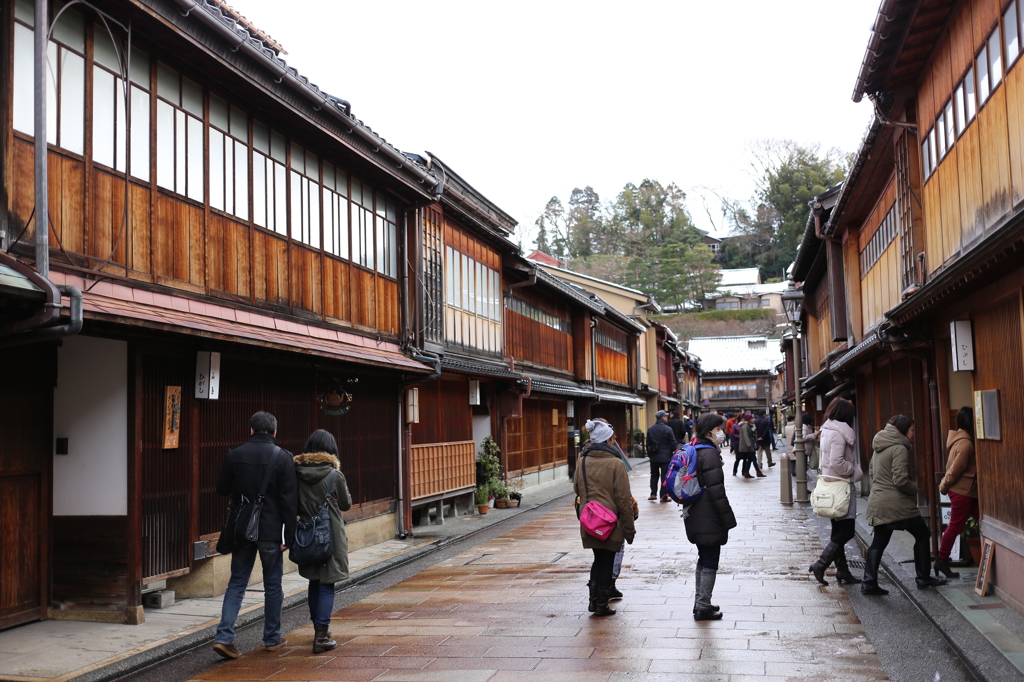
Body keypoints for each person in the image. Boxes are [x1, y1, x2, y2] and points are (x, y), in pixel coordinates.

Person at [213, 411, 298, 660]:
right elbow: (289, 502)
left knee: (237, 583)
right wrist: (288, 537)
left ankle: (224, 637)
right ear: (274, 432)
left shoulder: (235, 454)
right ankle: (272, 638)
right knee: (273, 585)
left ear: (250, 430)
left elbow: (221, 489)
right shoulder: (283, 457)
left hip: (242, 530)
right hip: (271, 531)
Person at [862, 415, 947, 595]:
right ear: (903, 430)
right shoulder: (899, 448)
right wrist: (915, 488)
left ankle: (869, 582)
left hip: (879, 501)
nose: (913, 434)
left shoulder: (880, 445)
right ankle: (923, 578)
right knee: (923, 534)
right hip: (898, 504)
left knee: (879, 540)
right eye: (912, 430)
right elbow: (900, 479)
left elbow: (871, 471)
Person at [293, 429, 353, 654]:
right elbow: (346, 504)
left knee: (313, 581)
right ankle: (321, 637)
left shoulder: (296, 473)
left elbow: (293, 504)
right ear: (332, 451)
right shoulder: (333, 475)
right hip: (330, 536)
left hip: (307, 535)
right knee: (327, 584)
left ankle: (319, 630)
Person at [574, 418, 636, 616]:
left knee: (598, 559)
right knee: (607, 560)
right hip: (610, 521)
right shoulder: (616, 464)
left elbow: (577, 488)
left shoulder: (582, 460)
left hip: (589, 519)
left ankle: (593, 602)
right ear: (609, 440)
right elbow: (624, 500)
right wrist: (629, 528)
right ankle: (601, 604)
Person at [684, 413, 738, 621]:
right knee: (710, 560)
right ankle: (703, 606)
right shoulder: (709, 453)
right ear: (709, 431)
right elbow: (717, 491)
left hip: (695, 511)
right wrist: (728, 518)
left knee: (703, 557)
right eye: (718, 429)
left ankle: (701, 602)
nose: (721, 432)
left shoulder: (695, 448)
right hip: (708, 513)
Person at [809, 398, 863, 585]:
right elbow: (837, 462)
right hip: (841, 485)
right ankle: (821, 564)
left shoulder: (827, 430)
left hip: (830, 485)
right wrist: (855, 471)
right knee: (847, 530)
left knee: (837, 529)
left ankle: (842, 571)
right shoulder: (840, 434)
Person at [935, 407, 979, 579]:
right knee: (955, 527)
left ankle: (942, 560)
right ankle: (941, 560)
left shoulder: (959, 440)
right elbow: (955, 469)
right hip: (963, 491)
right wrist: (944, 485)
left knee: (981, 520)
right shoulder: (966, 443)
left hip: (966, 491)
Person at [646, 410, 677, 502]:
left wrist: (650, 454)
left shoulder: (650, 429)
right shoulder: (668, 429)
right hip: (666, 456)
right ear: (663, 417)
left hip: (654, 456)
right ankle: (663, 496)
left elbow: (647, 443)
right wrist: (673, 453)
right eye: (666, 416)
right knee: (664, 476)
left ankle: (653, 494)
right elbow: (673, 443)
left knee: (654, 475)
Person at [738, 413, 765, 478]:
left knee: (750, 459)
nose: (753, 419)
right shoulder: (745, 426)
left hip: (749, 445)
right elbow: (746, 436)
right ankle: (758, 472)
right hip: (747, 446)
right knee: (753, 458)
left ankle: (746, 472)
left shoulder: (749, 425)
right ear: (748, 419)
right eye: (752, 418)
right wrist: (749, 445)